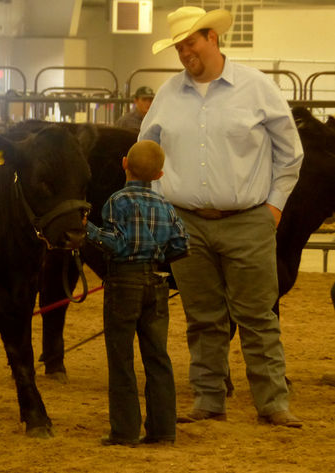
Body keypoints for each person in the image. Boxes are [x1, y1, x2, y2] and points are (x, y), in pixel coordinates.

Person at [139, 6, 304, 427]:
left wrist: (273, 206)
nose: (184, 53)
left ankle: (272, 401)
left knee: (257, 315)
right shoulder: (167, 94)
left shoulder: (257, 87)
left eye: (190, 43)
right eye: (178, 47)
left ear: (213, 38)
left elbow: (291, 153)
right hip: (186, 221)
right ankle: (209, 398)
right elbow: (145, 155)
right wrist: (161, 201)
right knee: (203, 317)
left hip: (248, 218)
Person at [86, 140, 189, 446]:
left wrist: (88, 230)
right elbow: (182, 244)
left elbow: (116, 243)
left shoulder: (117, 201)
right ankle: (162, 429)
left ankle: (125, 430)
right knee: (158, 357)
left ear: (124, 164)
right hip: (156, 283)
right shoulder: (164, 204)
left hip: (124, 283)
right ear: (159, 175)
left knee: (121, 359)